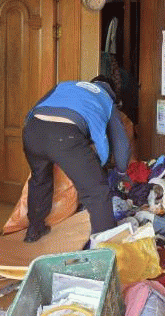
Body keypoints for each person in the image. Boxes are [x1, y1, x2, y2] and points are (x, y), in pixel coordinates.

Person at [22, 76, 131, 242]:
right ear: (112, 93)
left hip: (32, 130)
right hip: (65, 136)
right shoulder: (106, 99)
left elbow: (36, 108)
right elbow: (121, 143)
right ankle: (106, 247)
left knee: (40, 180)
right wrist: (121, 171)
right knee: (97, 192)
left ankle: (34, 230)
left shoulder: (65, 86)